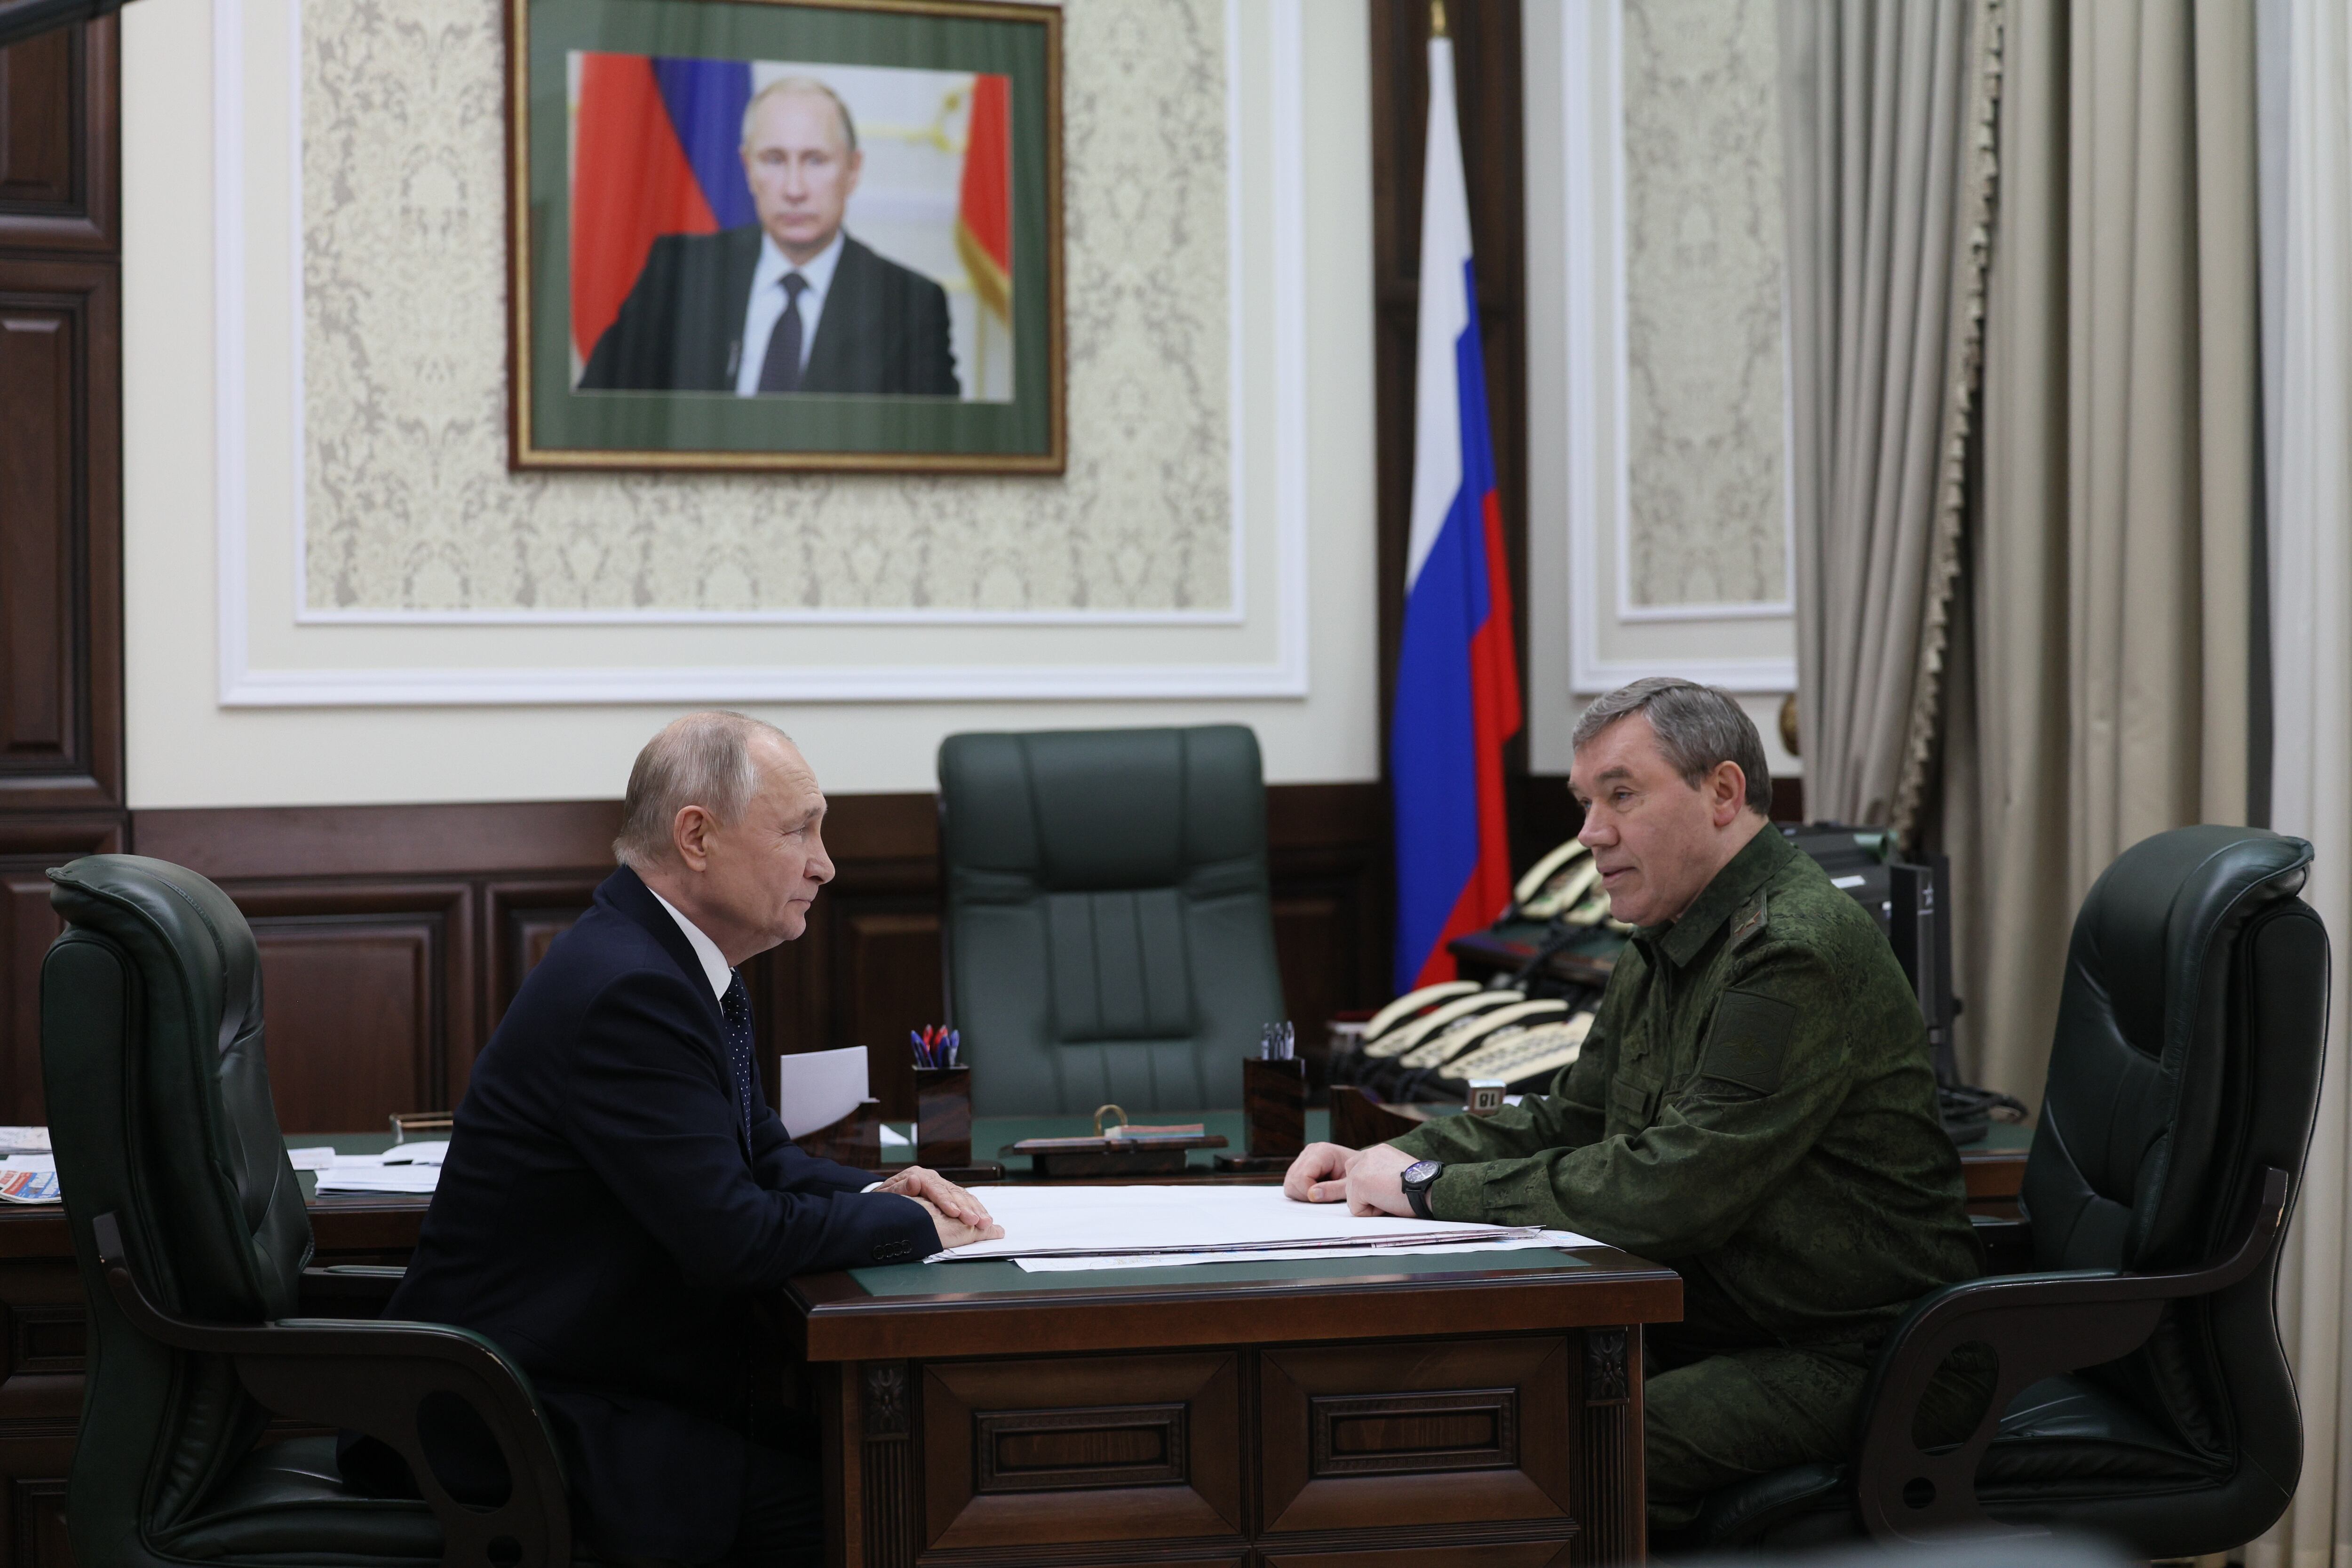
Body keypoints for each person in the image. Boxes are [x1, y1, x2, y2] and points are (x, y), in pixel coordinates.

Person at [1283, 677, 1984, 1535]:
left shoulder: (1792, 952)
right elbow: (1574, 1117)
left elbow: (1676, 1187)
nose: (1590, 832)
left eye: (1621, 795)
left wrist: (1430, 1187)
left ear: (1723, 793)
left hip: (1869, 1351)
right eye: (1585, 802)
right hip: (1732, 1317)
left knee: (1583, 1442)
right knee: (1492, 1389)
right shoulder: (1670, 936)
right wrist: (1384, 1162)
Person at [345, 711, 1001, 1565]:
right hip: (524, 1417)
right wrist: (920, 1231)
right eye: (800, 829)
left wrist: (887, 1191)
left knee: (908, 1464)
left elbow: (763, 1159)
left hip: (601, 1381)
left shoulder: (673, 964)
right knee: (892, 1502)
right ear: (697, 835)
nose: (825, 864)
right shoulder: (632, 990)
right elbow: (733, 1236)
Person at [580, 76, 961, 397]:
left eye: (815, 161)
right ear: (748, 168)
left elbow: (931, 458)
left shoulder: (910, 304)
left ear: (853, 170)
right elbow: (595, 410)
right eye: (774, 160)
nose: (794, 189)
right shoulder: (679, 273)